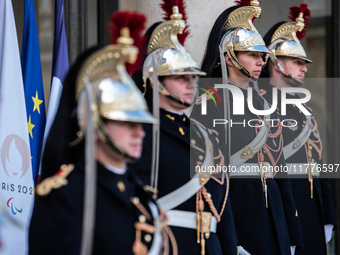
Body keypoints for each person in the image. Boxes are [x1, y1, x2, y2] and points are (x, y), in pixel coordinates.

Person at [29, 11, 176, 255]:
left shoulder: (141, 198)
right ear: (94, 124)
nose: (140, 133)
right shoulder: (63, 196)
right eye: (127, 123)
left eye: (141, 124)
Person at [192, 0, 303, 254]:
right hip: (239, 217)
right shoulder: (210, 102)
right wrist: (227, 237)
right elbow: (209, 177)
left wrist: (292, 231)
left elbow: (280, 171)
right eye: (252, 54)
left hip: (274, 218)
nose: (260, 61)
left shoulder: (265, 104)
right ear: (230, 55)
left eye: (262, 55)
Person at [129, 1, 238, 254]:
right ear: (155, 82)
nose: (191, 84)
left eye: (193, 78)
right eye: (180, 78)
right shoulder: (143, 134)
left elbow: (223, 212)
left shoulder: (204, 135)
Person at [259, 4, 337, 255]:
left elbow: (319, 163)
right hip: (282, 214)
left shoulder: (305, 110)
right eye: (297, 61)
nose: (304, 68)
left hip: (311, 214)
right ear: (275, 61)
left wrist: (327, 216)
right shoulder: (258, 107)